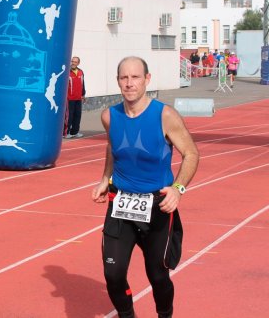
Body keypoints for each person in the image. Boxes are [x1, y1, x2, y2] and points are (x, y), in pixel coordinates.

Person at [92, 56, 199, 318]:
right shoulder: (109, 116)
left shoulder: (165, 115)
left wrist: (178, 189)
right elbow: (112, 147)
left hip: (157, 205)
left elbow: (191, 154)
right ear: (118, 81)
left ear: (147, 79)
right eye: (124, 78)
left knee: (158, 275)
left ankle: (165, 315)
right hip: (121, 203)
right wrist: (105, 178)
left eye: (135, 77)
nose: (129, 83)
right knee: (113, 274)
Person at [65, 56, 86, 138]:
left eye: (75, 62)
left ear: (78, 63)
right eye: (72, 61)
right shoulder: (67, 72)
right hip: (69, 98)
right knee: (69, 116)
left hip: (78, 98)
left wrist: (83, 94)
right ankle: (66, 133)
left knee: (77, 115)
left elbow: (82, 84)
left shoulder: (81, 72)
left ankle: (75, 131)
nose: (73, 63)